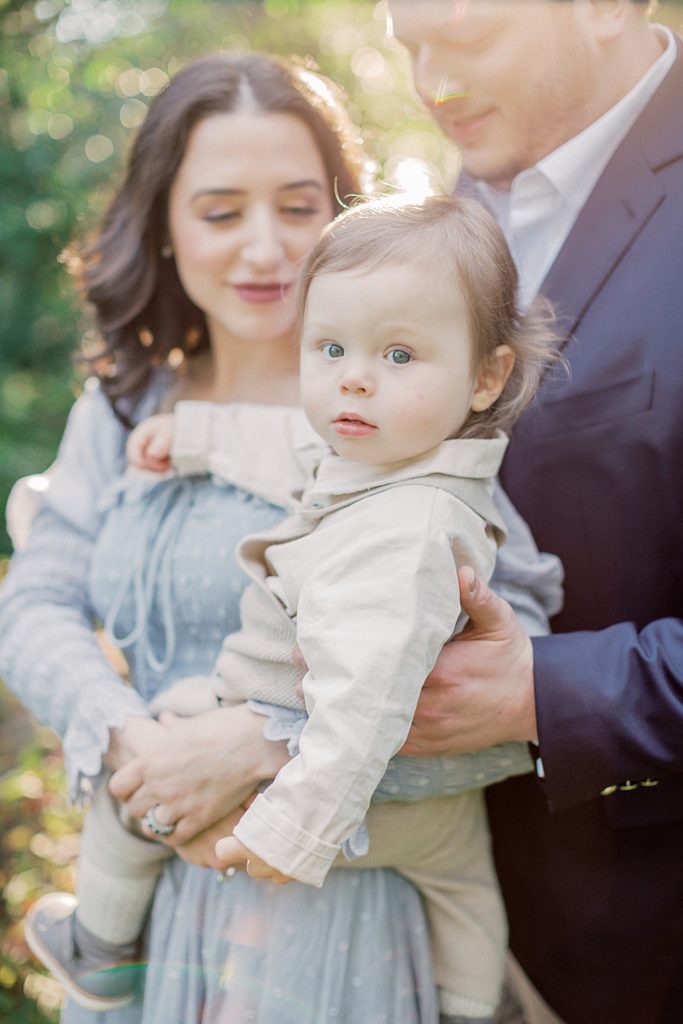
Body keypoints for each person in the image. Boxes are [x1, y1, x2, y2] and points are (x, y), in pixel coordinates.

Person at [0, 50, 563, 1024]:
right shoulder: (127, 404)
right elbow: (34, 604)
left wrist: (262, 744)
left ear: (348, 217)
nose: (264, 249)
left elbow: (517, 679)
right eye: (220, 212)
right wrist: (140, 753)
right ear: (167, 228)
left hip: (337, 909)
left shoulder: (407, 422)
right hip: (152, 899)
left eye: (299, 207)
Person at [386, 2, 683, 1022]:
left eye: (463, 40)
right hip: (439, 928)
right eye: (407, 46)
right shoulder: (433, 217)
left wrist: (538, 694)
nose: (431, 84)